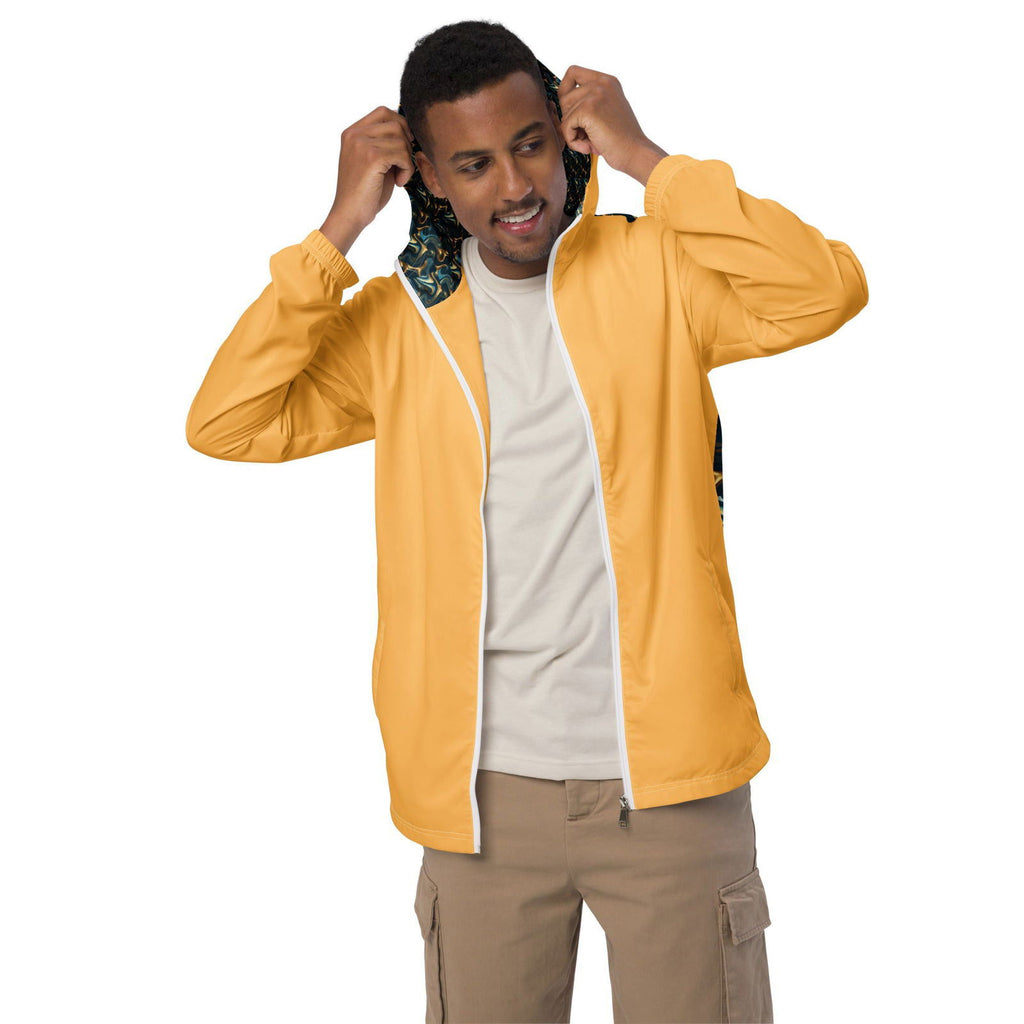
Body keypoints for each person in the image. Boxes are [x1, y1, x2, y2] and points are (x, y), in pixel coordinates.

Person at [185, 18, 868, 1024]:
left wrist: (646, 157)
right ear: (426, 175)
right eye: (472, 164)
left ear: (563, 130)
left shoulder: (656, 271)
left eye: (530, 145)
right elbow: (227, 422)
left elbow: (825, 289)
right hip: (482, 798)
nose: (514, 186)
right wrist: (335, 233)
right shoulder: (399, 324)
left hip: (672, 783)